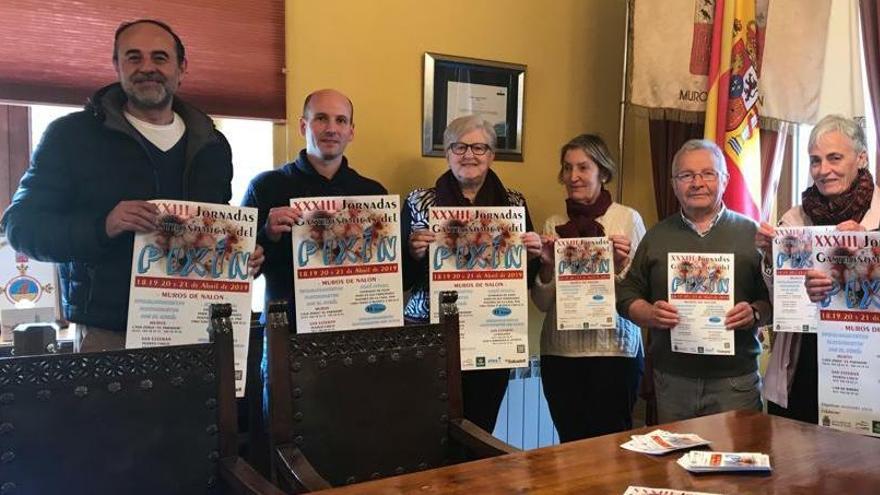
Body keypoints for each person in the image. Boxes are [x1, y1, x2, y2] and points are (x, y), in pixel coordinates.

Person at [1, 19, 262, 352]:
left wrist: (240, 256)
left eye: (160, 57)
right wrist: (103, 226)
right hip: (109, 336)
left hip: (199, 332)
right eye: (134, 57)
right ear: (117, 65)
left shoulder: (213, 144)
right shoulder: (71, 136)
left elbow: (214, 226)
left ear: (182, 68)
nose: (147, 68)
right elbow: (22, 227)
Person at [401, 115, 542, 433]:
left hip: (491, 332)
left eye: (479, 147)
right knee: (426, 429)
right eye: (459, 146)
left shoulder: (514, 205)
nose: (469, 155)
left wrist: (533, 255)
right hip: (429, 334)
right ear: (446, 153)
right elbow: (400, 281)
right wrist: (412, 253)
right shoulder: (419, 201)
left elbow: (526, 279)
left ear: (492, 155)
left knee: (480, 428)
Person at [616, 139, 770, 423]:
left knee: (737, 465)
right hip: (673, 382)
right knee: (676, 466)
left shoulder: (752, 234)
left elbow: (771, 299)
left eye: (708, 173)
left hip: (734, 381)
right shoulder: (657, 236)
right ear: (674, 184)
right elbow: (626, 294)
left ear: (724, 180)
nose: (697, 183)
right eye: (686, 175)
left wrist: (755, 313)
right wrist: (648, 313)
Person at [756, 114, 878, 424]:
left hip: (868, 373)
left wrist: (870, 255)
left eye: (834, 158)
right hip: (804, 369)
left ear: (861, 157)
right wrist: (771, 258)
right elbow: (778, 304)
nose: (823, 170)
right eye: (815, 160)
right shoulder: (794, 219)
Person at [531, 134, 645, 441]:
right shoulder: (553, 224)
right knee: (570, 447)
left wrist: (620, 267)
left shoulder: (627, 219)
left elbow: (640, 293)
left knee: (612, 448)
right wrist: (547, 266)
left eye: (583, 167)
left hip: (614, 354)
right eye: (567, 169)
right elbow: (542, 303)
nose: (573, 176)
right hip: (561, 355)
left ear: (603, 172)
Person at [243, 89, 387, 322]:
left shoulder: (373, 194)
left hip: (355, 326)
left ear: (351, 131)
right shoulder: (265, 186)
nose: (331, 129)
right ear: (303, 126)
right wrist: (266, 234)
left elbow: (385, 272)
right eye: (321, 118)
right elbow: (239, 273)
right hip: (284, 333)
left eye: (341, 120)